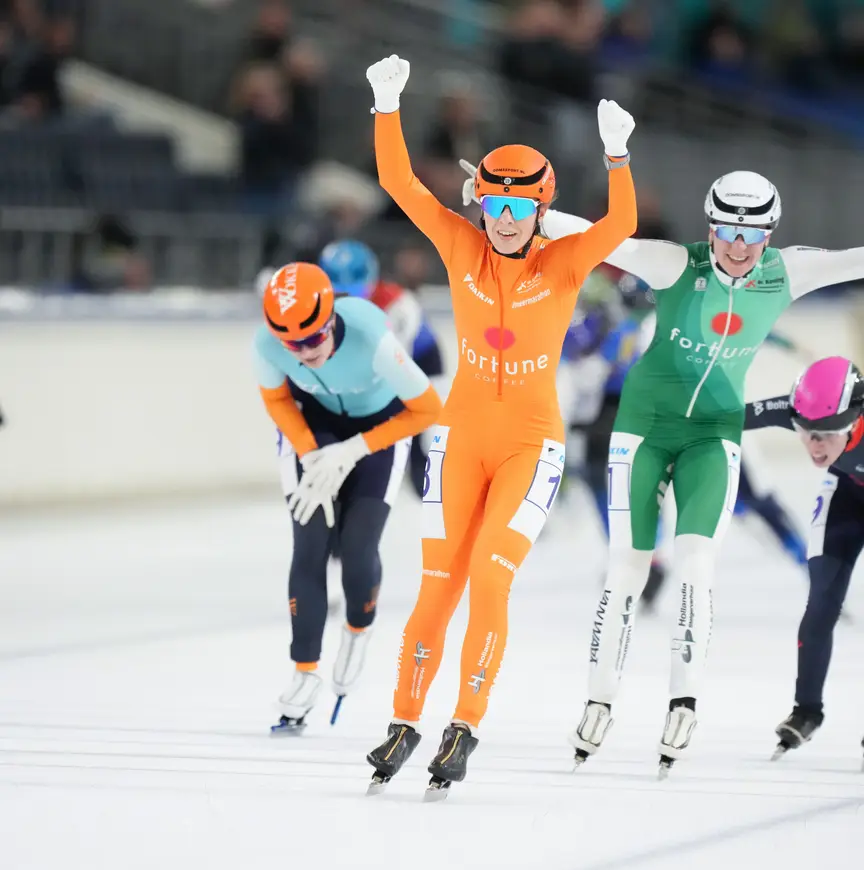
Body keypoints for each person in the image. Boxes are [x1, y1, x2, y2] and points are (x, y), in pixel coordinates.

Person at [460, 160, 864, 773]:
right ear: (708, 226)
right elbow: (591, 233)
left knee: (699, 561)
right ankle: (599, 699)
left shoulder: (789, 272)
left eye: (751, 236)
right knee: (628, 564)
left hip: (714, 434)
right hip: (644, 428)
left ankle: (684, 700)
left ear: (770, 235)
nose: (735, 247)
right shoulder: (675, 263)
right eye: (724, 230)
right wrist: (508, 203)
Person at [362, 53, 637, 798]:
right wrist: (387, 107)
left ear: (542, 211)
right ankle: (403, 719)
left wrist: (618, 156)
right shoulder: (459, 243)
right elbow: (398, 184)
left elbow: (623, 222)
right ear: (479, 201)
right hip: (460, 440)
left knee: (489, 580)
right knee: (435, 588)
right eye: (495, 206)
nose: (506, 222)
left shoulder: (567, 262)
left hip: (529, 445)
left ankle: (465, 723)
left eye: (521, 209)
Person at [254, 262, 442, 733]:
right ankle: (304, 672)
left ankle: (358, 629)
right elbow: (278, 401)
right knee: (310, 545)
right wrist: (312, 452)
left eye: (314, 339)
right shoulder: (264, 345)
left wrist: (356, 449)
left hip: (380, 428)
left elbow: (426, 408)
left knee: (358, 548)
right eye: (291, 345)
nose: (305, 353)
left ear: (332, 319)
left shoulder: (371, 335)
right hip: (314, 431)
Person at [743, 357, 864, 763]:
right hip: (846, 499)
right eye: (805, 432)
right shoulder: (799, 408)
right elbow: (724, 417)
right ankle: (807, 711)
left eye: (826, 435)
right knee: (820, 608)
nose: (814, 446)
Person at [318, 239, 446, 497]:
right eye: (339, 291)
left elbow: (395, 368)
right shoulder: (322, 303)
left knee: (427, 457)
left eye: (354, 290)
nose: (347, 299)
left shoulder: (398, 304)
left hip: (419, 367)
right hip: (380, 370)